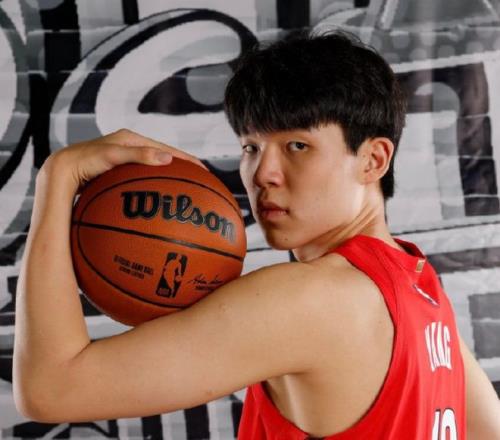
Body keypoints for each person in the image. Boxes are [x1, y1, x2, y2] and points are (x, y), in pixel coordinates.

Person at [13, 30, 500, 439]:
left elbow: (51, 390)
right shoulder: (420, 285)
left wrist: (58, 177)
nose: (263, 173)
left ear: (373, 160)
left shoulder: (310, 299)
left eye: (297, 145)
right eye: (250, 147)